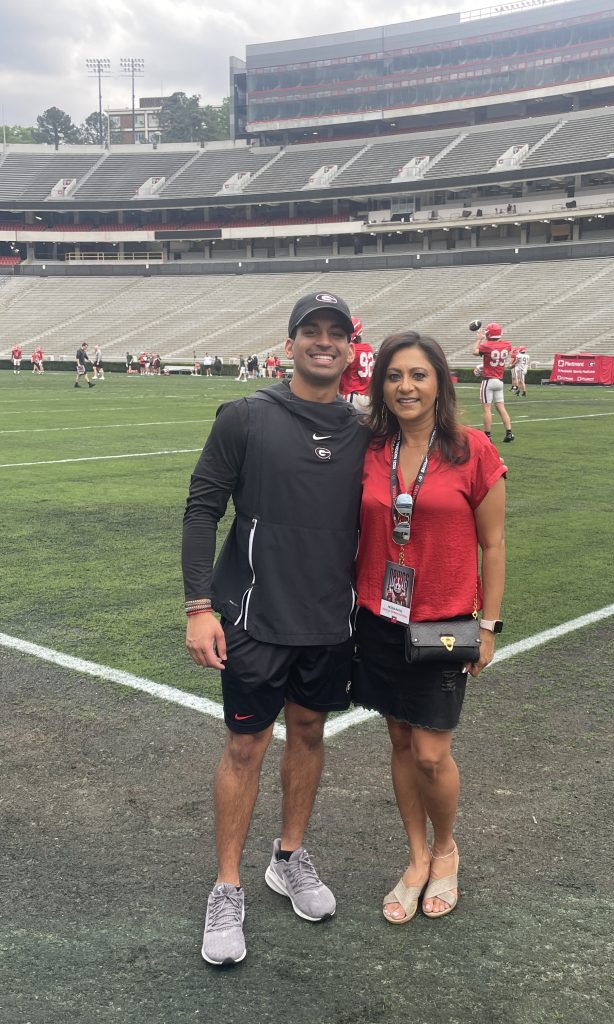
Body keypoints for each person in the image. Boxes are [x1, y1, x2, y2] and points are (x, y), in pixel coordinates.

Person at [182, 291, 368, 966]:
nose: (324, 341)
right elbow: (202, 510)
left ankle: (287, 857)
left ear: (351, 348)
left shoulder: (364, 433)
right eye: (310, 331)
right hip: (255, 618)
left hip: (329, 619)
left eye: (336, 333)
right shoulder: (246, 417)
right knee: (245, 746)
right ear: (288, 344)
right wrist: (198, 607)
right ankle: (227, 885)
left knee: (312, 732)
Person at [352, 331, 507, 924]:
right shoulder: (370, 449)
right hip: (378, 615)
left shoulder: (472, 450)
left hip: (443, 623)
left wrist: (488, 624)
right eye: (394, 376)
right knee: (397, 742)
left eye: (418, 375)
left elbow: (493, 546)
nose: (405, 387)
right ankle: (415, 858)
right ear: (380, 385)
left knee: (431, 755)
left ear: (441, 382)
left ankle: (446, 850)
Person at [472, 323, 514, 442]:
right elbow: (498, 345)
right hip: (500, 381)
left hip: (488, 381)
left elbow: (475, 351)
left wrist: (479, 339)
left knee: (487, 409)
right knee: (501, 408)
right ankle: (509, 433)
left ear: (489, 334)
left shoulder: (486, 345)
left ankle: (488, 436)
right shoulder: (507, 344)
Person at [339, 316, 375, 412]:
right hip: (367, 396)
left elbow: (336, 371)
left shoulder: (350, 350)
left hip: (351, 395)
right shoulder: (368, 348)